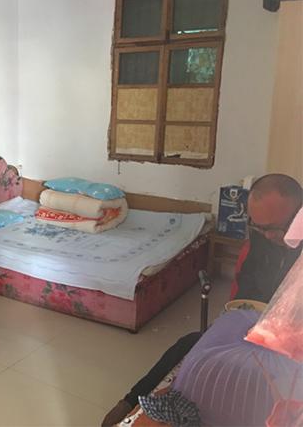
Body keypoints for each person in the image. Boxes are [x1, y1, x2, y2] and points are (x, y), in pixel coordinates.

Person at [101, 173, 302, 426]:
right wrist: (239, 321)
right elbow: (248, 283)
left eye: (275, 228)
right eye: (259, 227)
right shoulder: (262, 236)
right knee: (190, 343)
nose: (268, 236)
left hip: (290, 344)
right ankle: (131, 401)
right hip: (256, 326)